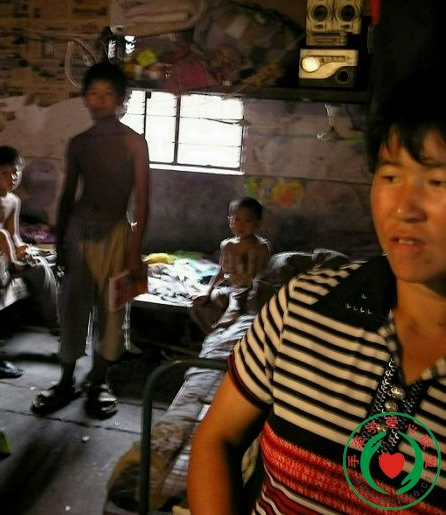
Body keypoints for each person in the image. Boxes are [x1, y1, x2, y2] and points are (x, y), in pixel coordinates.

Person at [187, 74, 446, 513]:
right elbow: (216, 438)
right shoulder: (301, 307)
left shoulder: (265, 253)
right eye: (389, 175)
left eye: (437, 181)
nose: (403, 207)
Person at [31, 61, 150, 419]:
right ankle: (66, 380)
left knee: (113, 312)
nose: (99, 100)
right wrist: (60, 243)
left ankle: (99, 382)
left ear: (121, 99)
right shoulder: (79, 144)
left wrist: (134, 252)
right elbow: (68, 194)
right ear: (84, 98)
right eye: (93, 93)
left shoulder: (134, 143)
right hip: (79, 232)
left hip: (117, 234)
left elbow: (143, 201)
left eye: (107, 94)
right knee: (72, 309)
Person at [0, 145, 59, 328]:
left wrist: (24, 248)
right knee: (4, 256)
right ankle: (2, 270)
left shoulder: (14, 201)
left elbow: (14, 235)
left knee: (42, 264)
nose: (12, 177)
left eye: (15, 172)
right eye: (5, 173)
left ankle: (55, 320)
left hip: (4, 252)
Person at [189, 196, 271, 334]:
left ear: (258, 223)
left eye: (247, 221)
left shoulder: (261, 247)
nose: (241, 225)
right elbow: (221, 272)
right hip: (230, 289)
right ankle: (226, 322)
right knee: (216, 296)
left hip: (251, 291)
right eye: (236, 219)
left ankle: (233, 310)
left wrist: (244, 291)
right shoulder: (227, 246)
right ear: (230, 221)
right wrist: (206, 292)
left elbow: (261, 278)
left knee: (251, 301)